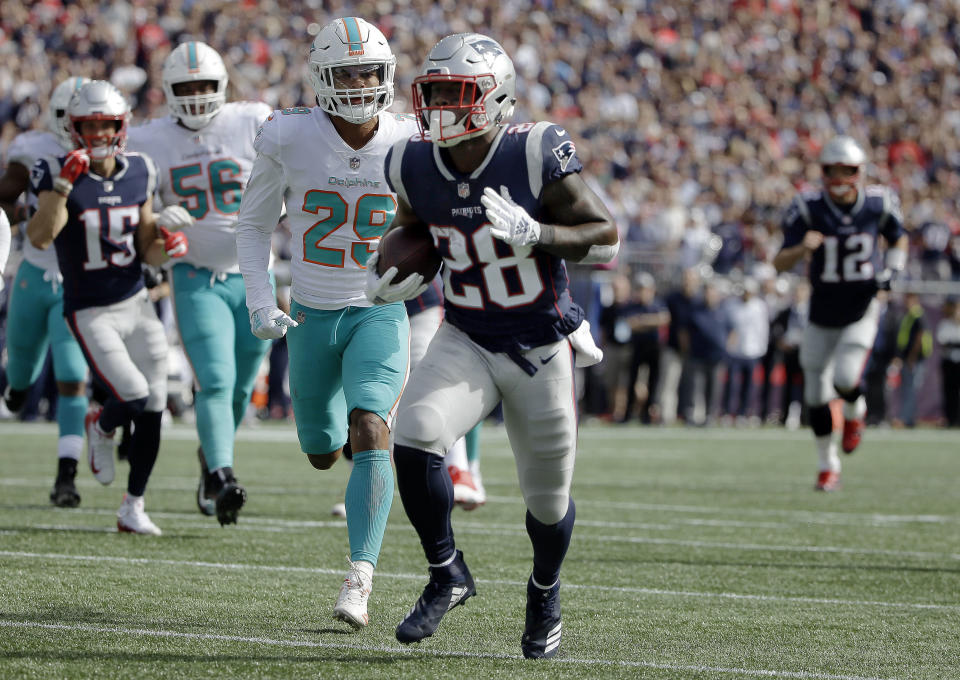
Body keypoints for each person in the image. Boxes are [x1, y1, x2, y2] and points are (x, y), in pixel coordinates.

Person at [365, 33, 617, 658]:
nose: (443, 108)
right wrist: (394, 268)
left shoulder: (533, 151)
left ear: (496, 97)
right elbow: (413, 232)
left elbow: (604, 234)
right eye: (435, 94)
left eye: (459, 94)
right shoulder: (411, 162)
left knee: (547, 500)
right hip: (467, 335)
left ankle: (544, 588)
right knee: (414, 432)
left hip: (538, 345)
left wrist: (540, 232)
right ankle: (446, 572)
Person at [235, 17, 421, 630]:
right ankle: (350, 466)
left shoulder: (409, 138)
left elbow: (436, 223)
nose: (362, 82)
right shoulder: (288, 135)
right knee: (321, 450)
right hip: (310, 314)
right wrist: (262, 301)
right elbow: (255, 225)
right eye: (348, 72)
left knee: (371, 426)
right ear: (322, 78)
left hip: (378, 310)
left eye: (371, 70)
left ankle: (361, 574)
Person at [26, 80, 192, 533]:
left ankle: (133, 506)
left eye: (106, 124)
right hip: (89, 308)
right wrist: (65, 183)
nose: (98, 133)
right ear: (74, 127)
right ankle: (101, 425)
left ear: (122, 126)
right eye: (89, 124)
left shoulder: (140, 170)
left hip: (135, 300)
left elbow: (146, 251)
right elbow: (40, 236)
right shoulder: (53, 168)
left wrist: (169, 243)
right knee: (134, 394)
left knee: (155, 403)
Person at [127, 42, 274, 525]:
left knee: (240, 385)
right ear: (167, 91)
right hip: (193, 273)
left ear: (222, 87)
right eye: (185, 87)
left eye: (204, 86)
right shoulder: (150, 139)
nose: (195, 96)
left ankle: (212, 459)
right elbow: (136, 220)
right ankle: (221, 474)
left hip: (255, 272)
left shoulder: (253, 119)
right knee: (215, 379)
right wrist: (155, 220)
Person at [773, 135, 908, 492]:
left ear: (859, 171)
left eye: (845, 169)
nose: (838, 176)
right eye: (832, 168)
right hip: (821, 310)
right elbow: (779, 261)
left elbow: (898, 238)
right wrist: (803, 247)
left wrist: (893, 270)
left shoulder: (878, 203)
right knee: (815, 396)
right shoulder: (808, 207)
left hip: (861, 307)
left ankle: (855, 413)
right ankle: (826, 465)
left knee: (846, 377)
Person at [0, 77, 93, 508]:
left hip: (75, 281)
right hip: (33, 275)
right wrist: (17, 208)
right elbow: (4, 197)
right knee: (20, 373)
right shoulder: (32, 149)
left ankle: (66, 476)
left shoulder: (112, 156)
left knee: (73, 378)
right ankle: (17, 389)